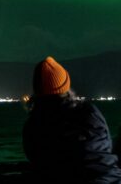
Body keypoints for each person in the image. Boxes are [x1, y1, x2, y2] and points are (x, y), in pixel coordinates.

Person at [23, 55, 121, 183]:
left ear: (37, 91)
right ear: (66, 85)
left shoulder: (34, 126)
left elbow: (38, 161)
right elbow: (105, 146)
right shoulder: (90, 111)